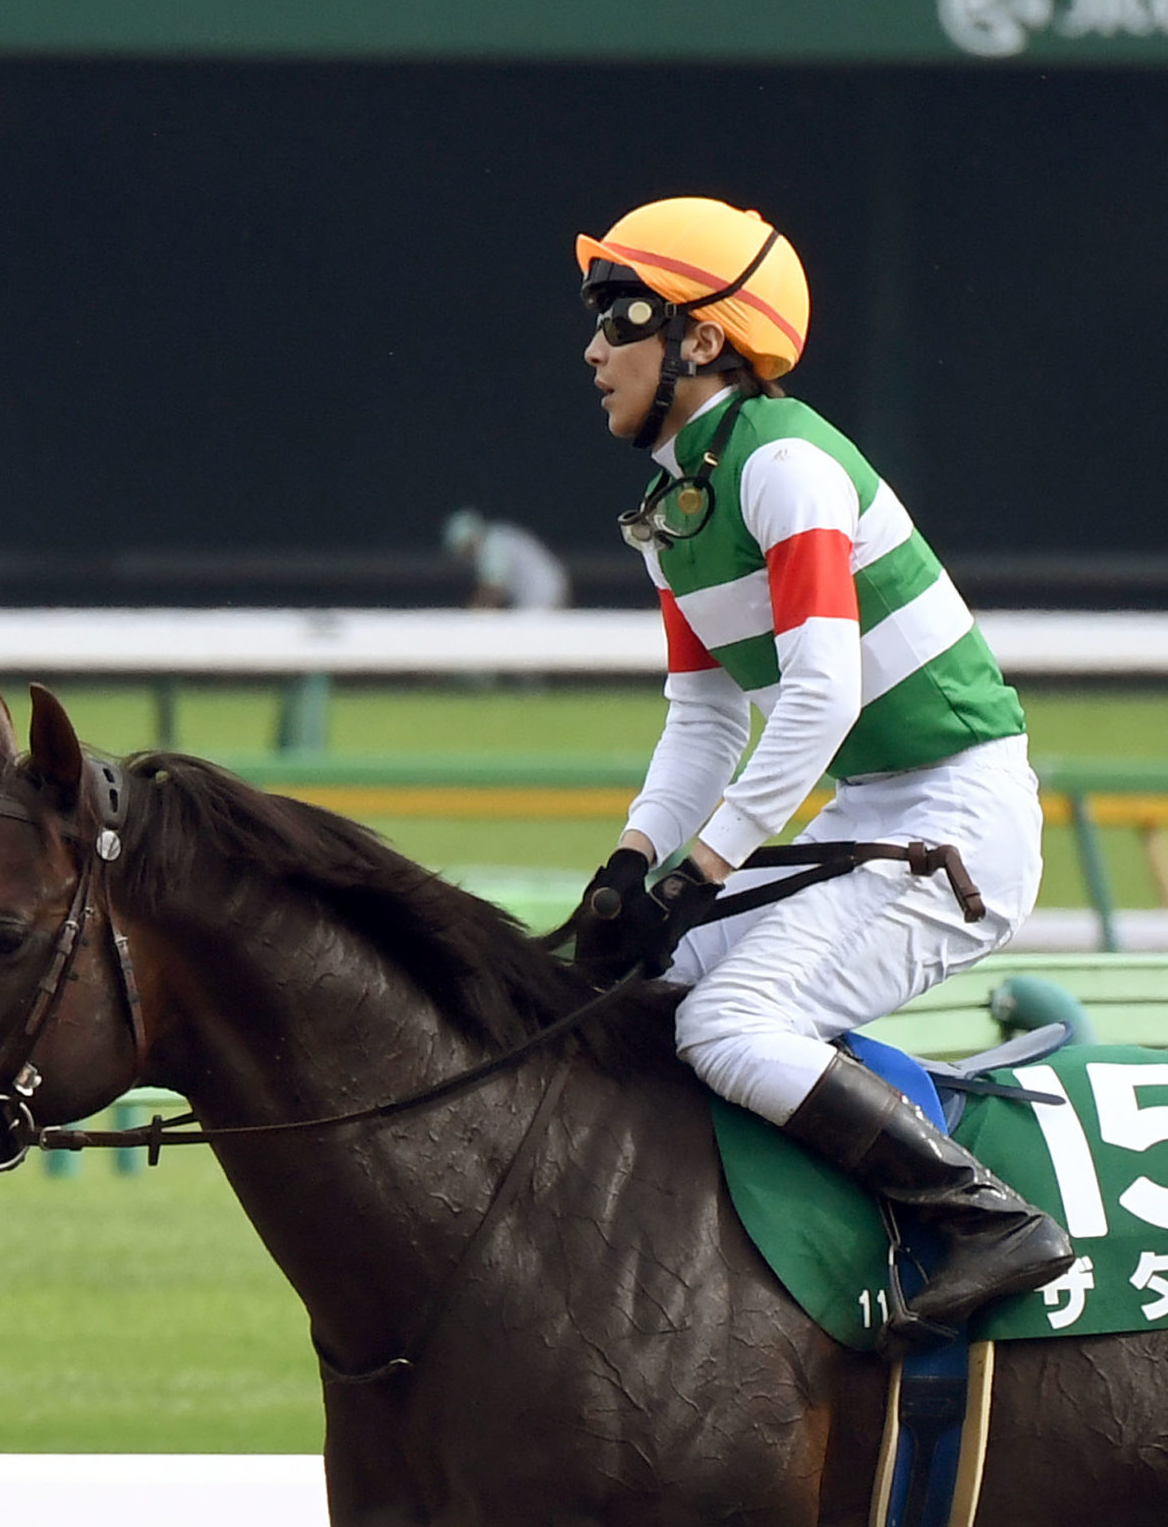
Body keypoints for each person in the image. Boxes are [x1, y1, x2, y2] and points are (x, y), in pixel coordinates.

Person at [567, 196, 1070, 1349]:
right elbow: (702, 716)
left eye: (616, 315)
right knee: (624, 993)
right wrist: (633, 862)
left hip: (960, 816)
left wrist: (702, 870)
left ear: (698, 338)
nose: (593, 350)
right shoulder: (675, 502)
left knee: (730, 1022)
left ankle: (988, 1220)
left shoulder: (782, 465)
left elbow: (820, 695)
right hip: (876, 811)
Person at [442, 509, 572, 611]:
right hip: (550, 587)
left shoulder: (492, 543)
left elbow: (493, 588)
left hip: (541, 594)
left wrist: (473, 613)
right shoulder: (499, 534)